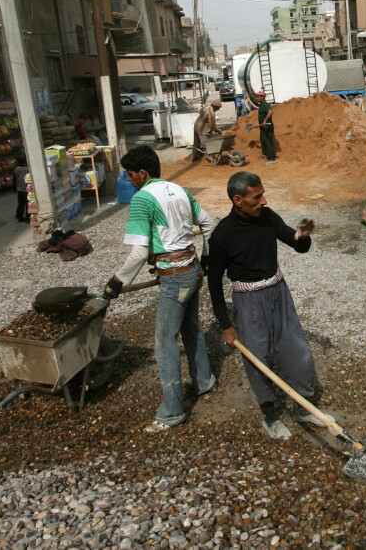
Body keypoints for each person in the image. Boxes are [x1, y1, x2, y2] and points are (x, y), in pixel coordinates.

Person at [206, 171, 333, 440]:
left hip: (279, 294)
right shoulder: (221, 236)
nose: (263, 201)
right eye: (257, 196)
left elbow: (297, 244)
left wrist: (303, 235)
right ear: (238, 200)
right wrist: (226, 325)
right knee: (258, 359)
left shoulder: (267, 217)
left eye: (263, 194)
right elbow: (214, 284)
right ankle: (271, 416)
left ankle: (303, 407)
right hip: (248, 302)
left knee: (298, 351)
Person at [102, 145, 218, 433]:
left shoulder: (142, 199)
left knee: (164, 342)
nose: (129, 180)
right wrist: (206, 258)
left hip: (175, 277)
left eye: (130, 175)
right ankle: (204, 382)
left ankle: (172, 412)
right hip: (192, 269)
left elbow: (140, 253)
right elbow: (208, 223)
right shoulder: (179, 189)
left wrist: (116, 282)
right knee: (191, 329)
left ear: (143, 173)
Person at [254, 90, 277, 165]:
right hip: (263, 128)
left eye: (258, 97)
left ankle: (272, 159)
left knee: (268, 142)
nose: (256, 98)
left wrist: (265, 120)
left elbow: (270, 112)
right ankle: (265, 154)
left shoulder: (266, 104)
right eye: (256, 96)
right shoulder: (261, 105)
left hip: (268, 127)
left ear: (262, 97)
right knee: (263, 140)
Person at [13, 153, 30, 224]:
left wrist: (14, 188)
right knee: (28, 204)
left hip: (19, 189)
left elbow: (14, 181)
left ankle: (19, 216)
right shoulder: (27, 169)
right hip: (26, 189)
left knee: (20, 203)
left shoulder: (15, 170)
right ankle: (28, 218)